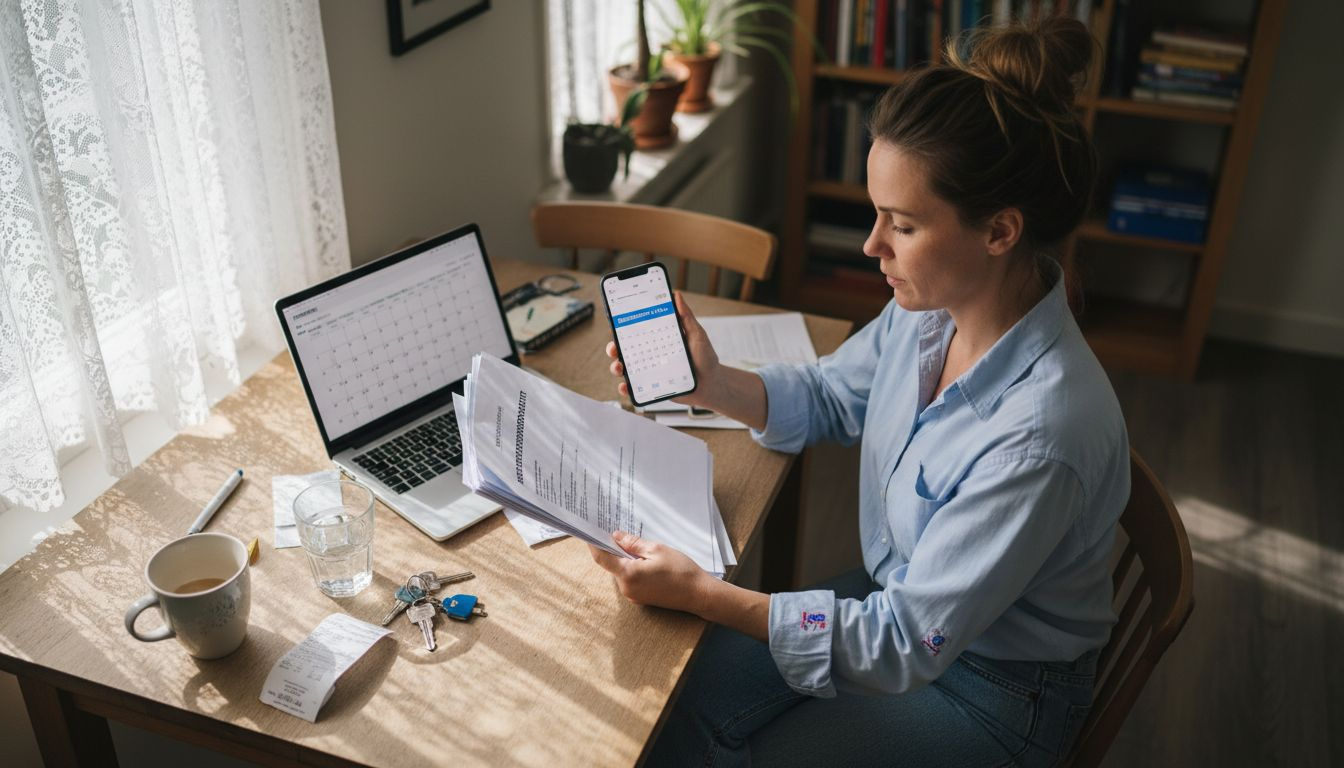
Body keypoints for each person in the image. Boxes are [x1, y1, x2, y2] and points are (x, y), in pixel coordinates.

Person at [590, 16, 1129, 768]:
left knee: (719, 747)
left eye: (901, 225)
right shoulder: (931, 311)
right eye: (876, 214)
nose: (872, 246)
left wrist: (706, 595)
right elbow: (832, 397)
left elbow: (902, 644)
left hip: (997, 689)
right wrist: (712, 385)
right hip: (899, 601)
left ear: (1000, 231)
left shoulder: (1040, 435)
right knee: (672, 700)